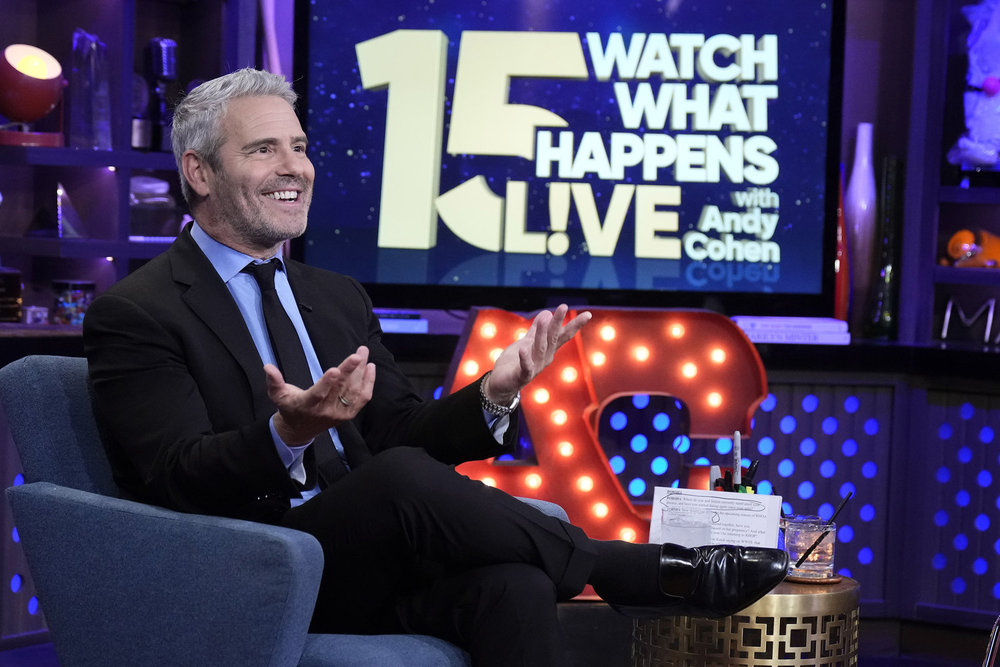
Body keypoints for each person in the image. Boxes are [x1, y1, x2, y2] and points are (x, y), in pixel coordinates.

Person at [83, 68, 787, 666]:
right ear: (198, 171)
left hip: (367, 558)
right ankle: (632, 566)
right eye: (264, 149)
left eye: (298, 146)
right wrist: (287, 432)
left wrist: (494, 393)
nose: (294, 167)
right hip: (246, 566)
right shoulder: (138, 312)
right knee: (395, 481)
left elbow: (398, 428)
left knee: (512, 581)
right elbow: (175, 474)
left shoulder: (333, 296)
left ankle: (634, 570)